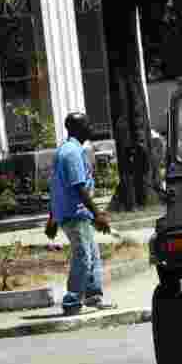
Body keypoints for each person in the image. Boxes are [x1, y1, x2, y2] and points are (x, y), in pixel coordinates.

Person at [45, 112, 116, 316]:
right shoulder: (71, 153)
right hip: (75, 214)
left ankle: (93, 296)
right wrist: (98, 214)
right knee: (83, 256)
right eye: (87, 124)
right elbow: (79, 187)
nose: (90, 127)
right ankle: (72, 300)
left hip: (75, 213)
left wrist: (52, 218)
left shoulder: (66, 150)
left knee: (91, 254)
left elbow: (56, 187)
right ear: (77, 128)